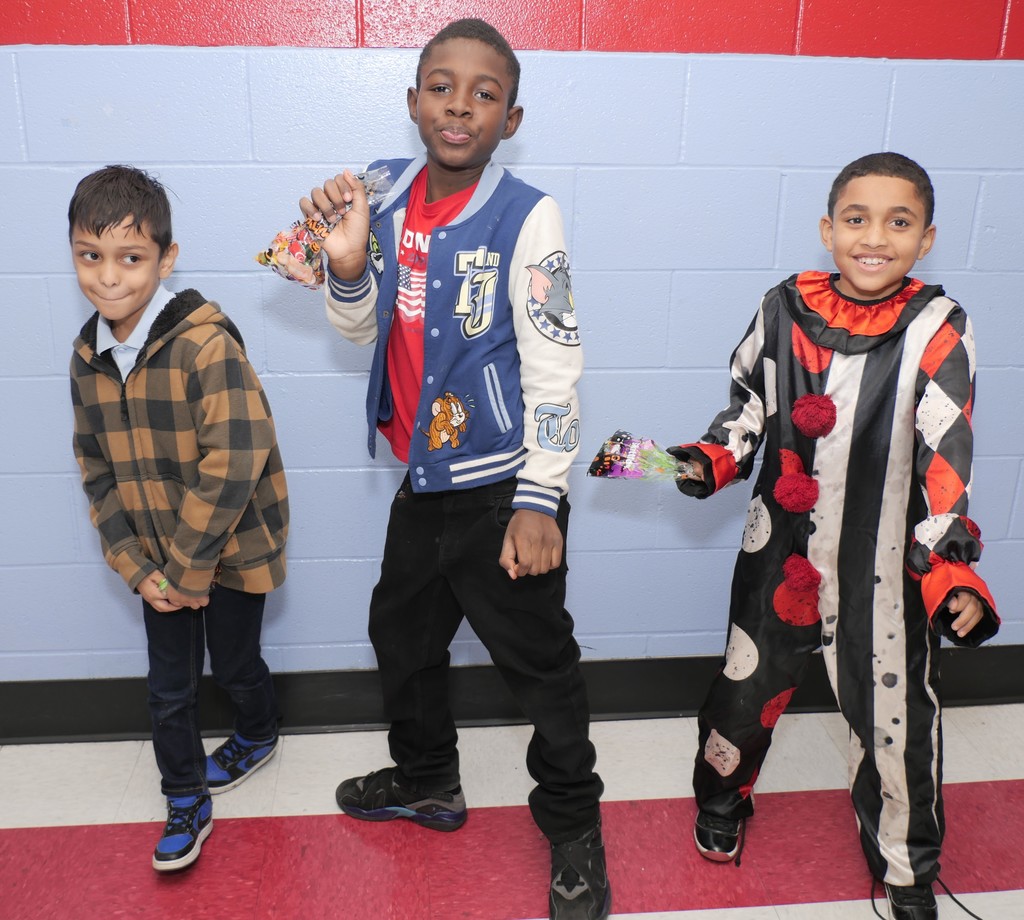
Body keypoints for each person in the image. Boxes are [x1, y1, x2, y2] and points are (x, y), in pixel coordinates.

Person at [299, 18, 609, 920]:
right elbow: (357, 328)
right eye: (442, 86)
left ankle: (575, 828)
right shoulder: (379, 190)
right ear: (412, 103)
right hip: (423, 483)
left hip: (505, 490)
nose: (460, 104)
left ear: (510, 119)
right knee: (401, 639)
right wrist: (347, 262)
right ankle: (430, 780)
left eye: (484, 92)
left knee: (539, 666)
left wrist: (542, 497)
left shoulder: (528, 213)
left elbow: (555, 361)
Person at [668, 152, 999, 920]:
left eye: (899, 221)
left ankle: (907, 867)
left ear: (927, 239)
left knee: (898, 721)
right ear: (827, 229)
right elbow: (746, 409)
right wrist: (708, 459)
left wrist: (951, 568)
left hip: (886, 565)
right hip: (779, 553)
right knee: (743, 696)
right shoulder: (783, 309)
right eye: (856, 218)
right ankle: (723, 798)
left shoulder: (941, 329)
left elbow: (947, 451)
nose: (874, 237)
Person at [68, 166, 289, 872]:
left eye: (130, 258)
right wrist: (140, 568)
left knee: (233, 663)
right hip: (158, 564)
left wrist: (191, 567)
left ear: (166, 258)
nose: (108, 278)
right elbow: (95, 472)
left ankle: (258, 732)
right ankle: (184, 795)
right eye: (89, 256)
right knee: (168, 686)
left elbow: (237, 456)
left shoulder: (204, 344)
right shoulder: (86, 361)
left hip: (229, 551)